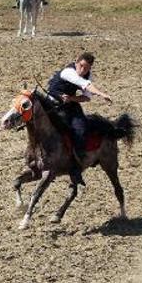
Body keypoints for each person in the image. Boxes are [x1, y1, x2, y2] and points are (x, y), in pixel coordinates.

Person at [47, 52, 113, 185]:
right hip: (51, 104)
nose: (83, 70)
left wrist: (71, 98)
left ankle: (76, 167)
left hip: (69, 105)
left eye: (86, 68)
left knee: (80, 130)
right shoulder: (68, 72)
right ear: (76, 62)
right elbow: (84, 84)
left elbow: (87, 97)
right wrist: (101, 94)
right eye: (81, 66)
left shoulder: (88, 76)